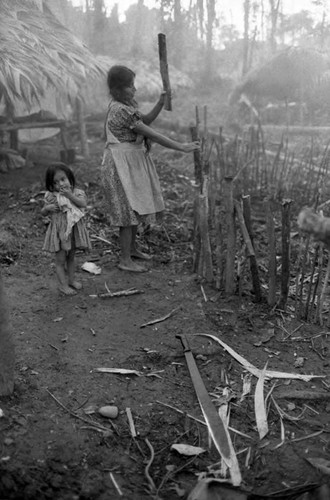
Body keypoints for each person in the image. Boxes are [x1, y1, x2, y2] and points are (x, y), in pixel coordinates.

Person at [101, 65, 200, 273]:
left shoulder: (125, 106)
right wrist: (181, 147)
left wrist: (161, 102)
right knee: (126, 212)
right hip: (120, 164)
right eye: (130, 86)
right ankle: (125, 259)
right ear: (118, 88)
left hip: (130, 162)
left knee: (135, 206)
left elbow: (144, 120)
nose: (134, 90)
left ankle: (133, 249)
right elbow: (151, 132)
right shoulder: (120, 109)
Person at [41, 162, 91, 295]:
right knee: (60, 260)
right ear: (51, 185)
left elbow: (83, 204)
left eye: (63, 179)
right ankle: (63, 285)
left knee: (71, 257)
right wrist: (47, 208)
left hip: (73, 230)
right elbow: (43, 212)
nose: (61, 184)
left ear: (70, 178)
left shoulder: (77, 193)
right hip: (60, 233)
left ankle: (71, 280)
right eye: (56, 182)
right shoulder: (51, 196)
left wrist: (69, 195)